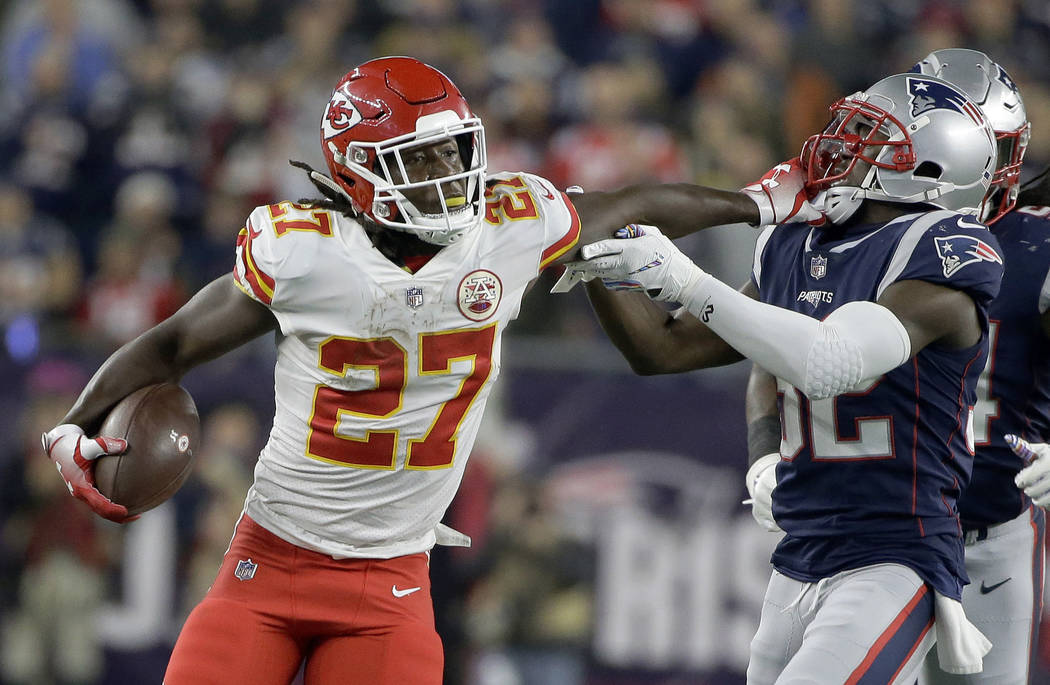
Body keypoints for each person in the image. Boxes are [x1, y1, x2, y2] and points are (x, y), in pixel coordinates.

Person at [38, 56, 817, 685]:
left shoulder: (508, 227)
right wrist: (73, 424)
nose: (449, 171)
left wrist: (757, 202)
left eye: (454, 149)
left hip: (391, 585)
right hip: (267, 564)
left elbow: (631, 201)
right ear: (358, 174)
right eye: (422, 156)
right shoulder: (303, 252)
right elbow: (171, 344)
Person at [566, 71, 1003, 683]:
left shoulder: (940, 255)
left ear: (927, 168)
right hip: (797, 556)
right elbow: (663, 350)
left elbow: (828, 361)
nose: (840, 145)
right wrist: (599, 260)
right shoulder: (799, 240)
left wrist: (688, 281)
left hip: (894, 556)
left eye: (870, 137)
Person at [745, 49, 1050, 685]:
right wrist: (762, 452)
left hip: (987, 536)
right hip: (870, 543)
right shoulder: (834, 233)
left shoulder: (1034, 244)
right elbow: (774, 354)